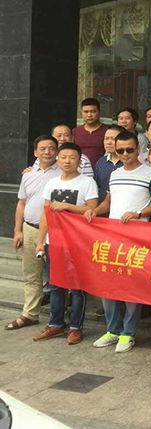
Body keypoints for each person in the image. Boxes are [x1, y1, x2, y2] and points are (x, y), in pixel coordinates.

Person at [84, 131, 151, 353]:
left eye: (129, 149)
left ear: (138, 149)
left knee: (131, 287)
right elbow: (108, 201)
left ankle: (128, 333)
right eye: (120, 150)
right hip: (112, 237)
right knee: (108, 285)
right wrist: (94, 211)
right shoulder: (114, 174)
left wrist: (138, 214)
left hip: (137, 239)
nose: (125, 154)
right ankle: (113, 330)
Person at [33, 143, 99, 345]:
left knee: (77, 287)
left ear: (80, 161)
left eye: (72, 157)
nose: (67, 161)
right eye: (63, 157)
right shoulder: (51, 183)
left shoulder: (87, 183)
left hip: (78, 242)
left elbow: (92, 210)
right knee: (55, 285)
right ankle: (55, 324)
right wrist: (40, 241)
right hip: (54, 241)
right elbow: (46, 213)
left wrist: (66, 206)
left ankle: (75, 327)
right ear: (58, 160)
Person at [5, 135, 60, 332]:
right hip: (30, 229)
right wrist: (17, 230)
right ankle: (30, 314)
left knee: (57, 277)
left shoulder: (63, 173)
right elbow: (21, 203)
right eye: (42, 149)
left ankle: (58, 319)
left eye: (51, 148)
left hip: (55, 232)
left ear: (57, 151)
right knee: (31, 274)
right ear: (35, 152)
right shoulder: (27, 175)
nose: (47, 152)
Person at [27, 125, 93, 177]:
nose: (62, 139)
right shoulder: (45, 157)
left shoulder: (83, 159)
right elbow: (36, 173)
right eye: (58, 136)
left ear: (72, 138)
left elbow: (88, 181)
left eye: (66, 135)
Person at [94, 125, 125, 205]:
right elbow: (96, 186)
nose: (108, 142)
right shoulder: (101, 162)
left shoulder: (129, 162)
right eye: (106, 138)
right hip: (102, 208)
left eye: (113, 139)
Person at [73, 97, 107, 167]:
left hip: (102, 169)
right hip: (80, 169)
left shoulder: (108, 131)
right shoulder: (75, 131)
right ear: (81, 113)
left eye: (93, 111)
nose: (89, 115)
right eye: (86, 112)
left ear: (99, 112)